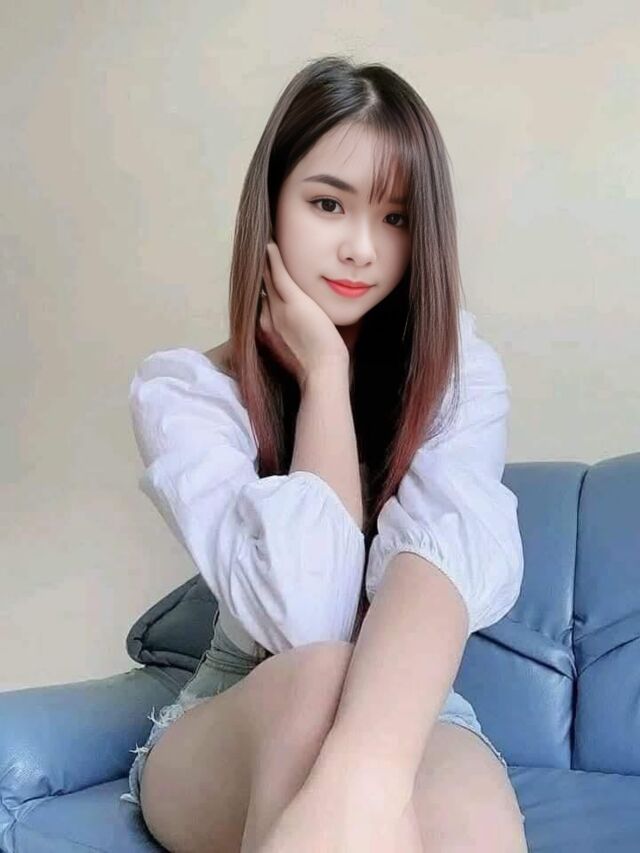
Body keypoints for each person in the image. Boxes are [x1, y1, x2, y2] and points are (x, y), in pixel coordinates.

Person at [120, 55, 528, 852]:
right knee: (316, 679)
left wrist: (364, 775)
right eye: (329, 204)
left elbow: (438, 570)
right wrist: (325, 380)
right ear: (271, 202)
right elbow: (308, 617)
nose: (361, 249)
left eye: (396, 218)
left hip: (413, 707)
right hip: (237, 703)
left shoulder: (459, 374)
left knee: (468, 828)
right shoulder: (186, 394)